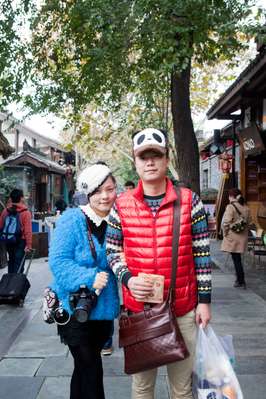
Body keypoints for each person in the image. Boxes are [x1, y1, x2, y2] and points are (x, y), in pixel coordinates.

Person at [106, 128, 212, 399]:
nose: (150, 162)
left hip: (183, 309)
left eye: (156, 155)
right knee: (142, 388)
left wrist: (204, 301)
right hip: (140, 312)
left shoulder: (190, 201)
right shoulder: (122, 205)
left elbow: (201, 256)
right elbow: (113, 253)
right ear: (135, 161)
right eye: (144, 157)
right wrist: (128, 279)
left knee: (182, 389)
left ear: (167, 159)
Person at [48, 163, 120, 399]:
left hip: (103, 309)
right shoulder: (72, 219)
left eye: (110, 189)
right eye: (98, 191)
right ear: (87, 194)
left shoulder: (118, 221)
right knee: (90, 367)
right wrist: (89, 277)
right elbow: (58, 262)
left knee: (83, 368)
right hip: (74, 307)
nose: (105, 196)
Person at [221, 188, 251, 289]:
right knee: (238, 259)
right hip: (243, 238)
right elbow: (249, 223)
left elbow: (226, 223)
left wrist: (225, 233)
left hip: (233, 238)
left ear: (232, 197)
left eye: (229, 196)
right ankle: (240, 279)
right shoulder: (246, 208)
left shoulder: (230, 207)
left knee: (236, 260)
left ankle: (240, 280)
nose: (228, 198)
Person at [0, 189, 32, 273]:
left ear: (11, 198)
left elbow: (1, 226)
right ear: (21, 198)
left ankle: (10, 283)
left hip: (9, 240)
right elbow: (27, 231)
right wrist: (29, 245)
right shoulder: (25, 212)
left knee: (11, 261)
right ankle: (16, 285)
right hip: (20, 241)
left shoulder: (5, 211)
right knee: (19, 264)